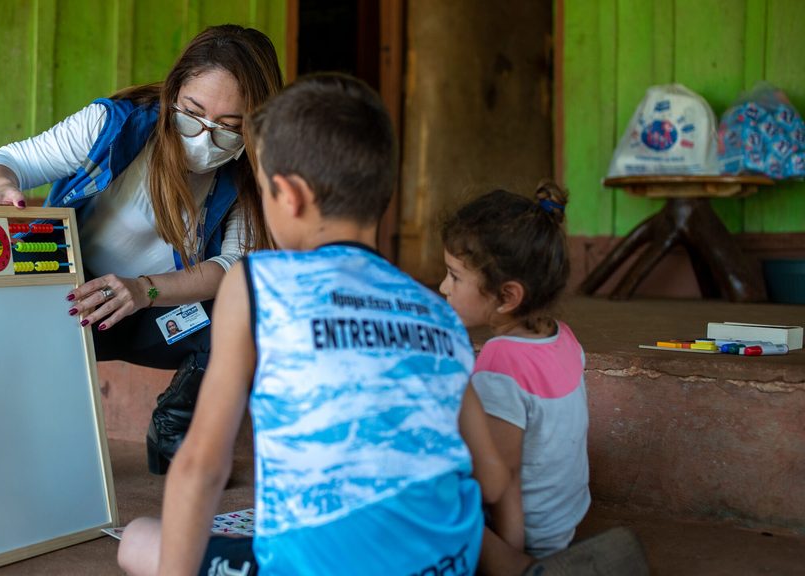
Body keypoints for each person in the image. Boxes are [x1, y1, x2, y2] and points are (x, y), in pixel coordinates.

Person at [117, 73, 509, 576]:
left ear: (290, 195)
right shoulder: (436, 310)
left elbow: (202, 465)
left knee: (138, 540)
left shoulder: (258, 283)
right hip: (442, 564)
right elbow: (492, 483)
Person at [0, 25, 283, 474]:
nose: (202, 138)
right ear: (174, 91)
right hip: (69, 309)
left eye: (228, 129)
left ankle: (173, 428)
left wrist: (144, 291)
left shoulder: (244, 178)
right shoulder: (112, 127)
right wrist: (3, 188)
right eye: (192, 114)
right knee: (45, 460)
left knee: (245, 311)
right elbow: (8, 162)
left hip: (154, 315)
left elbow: (230, 267)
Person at [438, 183, 590, 575]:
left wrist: (508, 551)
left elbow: (501, 482)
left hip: (530, 533)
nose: (443, 288)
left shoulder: (501, 361)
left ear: (507, 296)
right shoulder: (562, 336)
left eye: (454, 276)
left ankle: (519, 568)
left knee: (423, 497)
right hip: (566, 520)